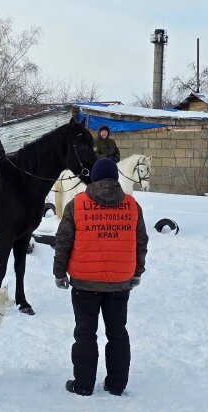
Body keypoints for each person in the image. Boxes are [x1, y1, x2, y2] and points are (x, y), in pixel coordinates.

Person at [53, 158, 148, 397]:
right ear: (115, 178)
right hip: (119, 282)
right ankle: (116, 385)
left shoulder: (78, 204)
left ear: (93, 178)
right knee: (117, 332)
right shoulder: (131, 205)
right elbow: (141, 243)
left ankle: (83, 384)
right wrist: (137, 272)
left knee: (85, 333)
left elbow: (63, 240)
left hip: (84, 282)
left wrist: (59, 272)